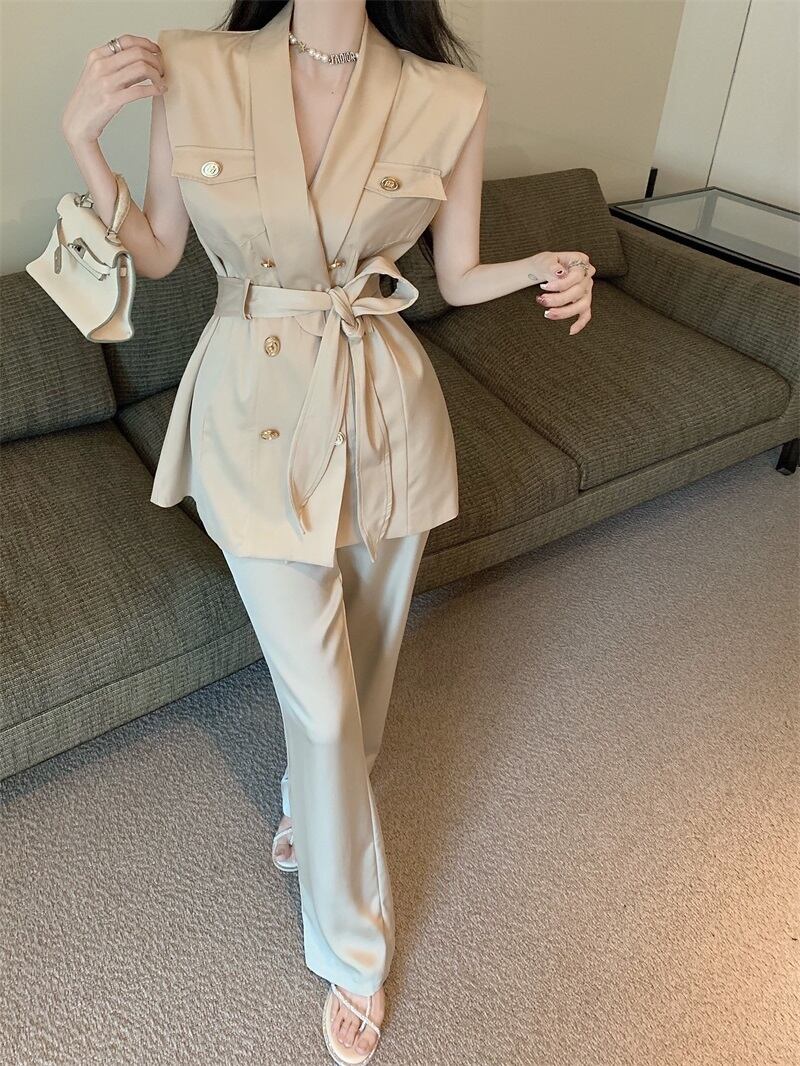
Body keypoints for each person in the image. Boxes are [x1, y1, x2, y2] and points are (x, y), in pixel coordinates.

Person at [60, 1, 594, 1061]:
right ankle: (354, 946)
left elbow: (454, 275)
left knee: (368, 661)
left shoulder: (446, 95)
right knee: (319, 692)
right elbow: (158, 253)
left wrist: (542, 265)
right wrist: (84, 141)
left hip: (382, 414)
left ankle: (311, 806)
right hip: (250, 417)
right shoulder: (199, 68)